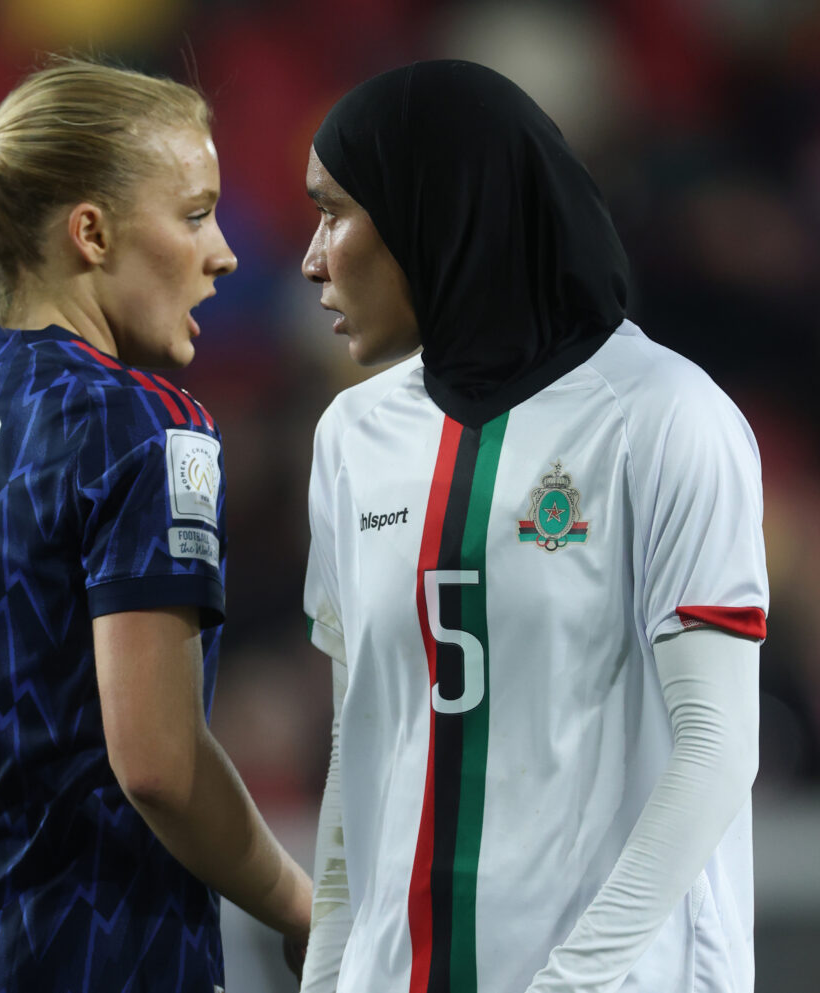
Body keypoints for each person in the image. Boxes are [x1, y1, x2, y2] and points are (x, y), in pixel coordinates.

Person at [0, 57, 312, 992]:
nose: (223, 251)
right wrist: (303, 906)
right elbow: (161, 766)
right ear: (91, 233)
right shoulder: (141, 422)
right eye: (193, 213)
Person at [297, 60, 767, 993]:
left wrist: (569, 983)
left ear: (435, 210)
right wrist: (327, 975)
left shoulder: (667, 416)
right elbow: (363, 743)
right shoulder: (352, 435)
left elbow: (717, 747)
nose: (311, 255)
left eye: (335, 210)